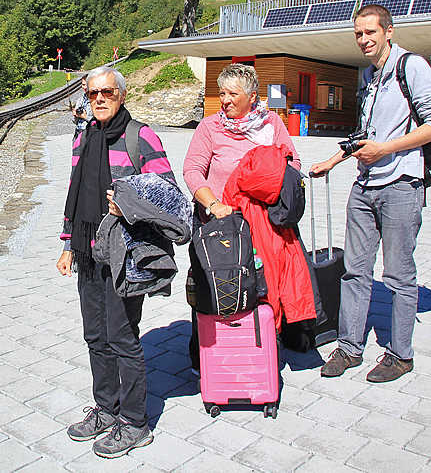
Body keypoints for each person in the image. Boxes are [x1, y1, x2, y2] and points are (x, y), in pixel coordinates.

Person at [310, 3, 431, 383]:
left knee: (399, 275)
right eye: (358, 33)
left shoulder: (411, 66)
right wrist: (332, 160)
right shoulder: (369, 76)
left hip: (402, 184)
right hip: (365, 185)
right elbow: (366, 134)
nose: (364, 39)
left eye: (370, 32)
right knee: (354, 271)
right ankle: (350, 348)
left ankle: (401, 355)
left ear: (388, 31)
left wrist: (385, 150)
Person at [55, 65, 173, 458]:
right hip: (88, 251)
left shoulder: (141, 136)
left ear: (121, 95)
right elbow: (74, 193)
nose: (100, 99)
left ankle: (136, 423)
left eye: (107, 92)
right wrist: (68, 244)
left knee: (122, 337)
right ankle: (106, 408)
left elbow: (166, 191)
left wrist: (127, 203)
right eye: (93, 93)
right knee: (95, 335)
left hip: (125, 253)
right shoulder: (84, 137)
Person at [182, 63, 302, 368]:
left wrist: (265, 184)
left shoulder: (271, 124)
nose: (225, 100)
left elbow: (293, 163)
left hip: (261, 226)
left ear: (252, 96)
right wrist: (214, 205)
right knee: (213, 290)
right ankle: (207, 357)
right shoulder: (209, 127)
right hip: (217, 226)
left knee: (261, 289)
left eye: (232, 94)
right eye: (222, 93)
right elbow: (192, 170)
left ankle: (260, 350)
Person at [72, 74, 90, 140]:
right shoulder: (80, 100)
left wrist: (85, 117)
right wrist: (75, 116)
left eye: (86, 85)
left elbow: (97, 121)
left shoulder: (95, 101)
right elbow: (75, 122)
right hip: (78, 133)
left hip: (88, 133)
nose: (84, 87)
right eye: (83, 85)